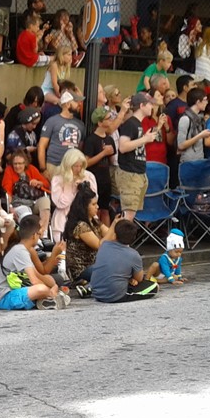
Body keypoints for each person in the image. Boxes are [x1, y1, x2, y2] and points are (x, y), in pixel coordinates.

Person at [89, 219, 158, 303]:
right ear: (133, 238)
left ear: (114, 235)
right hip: (115, 296)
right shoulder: (134, 254)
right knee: (154, 286)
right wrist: (131, 279)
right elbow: (139, 279)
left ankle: (88, 289)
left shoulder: (104, 245)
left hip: (96, 293)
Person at [116, 93, 160, 221]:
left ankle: (124, 240)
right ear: (141, 105)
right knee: (128, 215)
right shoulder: (131, 123)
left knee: (132, 214)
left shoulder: (138, 124)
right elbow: (123, 147)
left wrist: (145, 139)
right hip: (130, 173)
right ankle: (122, 241)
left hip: (138, 173)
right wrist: (144, 139)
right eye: (150, 104)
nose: (152, 107)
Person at [49, 148, 99, 242]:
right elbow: (60, 204)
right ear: (68, 165)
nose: (78, 169)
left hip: (86, 217)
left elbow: (94, 199)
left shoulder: (89, 176)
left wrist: (84, 191)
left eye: (81, 166)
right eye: (75, 166)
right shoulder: (58, 179)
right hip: (64, 218)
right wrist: (72, 189)